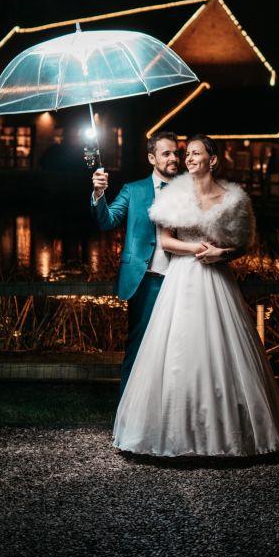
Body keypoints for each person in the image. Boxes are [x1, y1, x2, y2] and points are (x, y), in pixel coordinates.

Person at [112, 134, 279, 457]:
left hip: (217, 280)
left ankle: (226, 434)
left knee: (220, 350)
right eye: (188, 154)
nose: (189, 158)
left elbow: (243, 244)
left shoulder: (232, 198)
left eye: (196, 153)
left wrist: (221, 255)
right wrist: (196, 249)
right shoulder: (175, 195)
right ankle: (173, 432)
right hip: (182, 277)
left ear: (213, 160)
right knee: (178, 351)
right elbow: (166, 241)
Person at [91, 130, 181, 397]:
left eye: (176, 153)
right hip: (146, 281)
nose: (173, 158)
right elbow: (107, 221)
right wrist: (98, 193)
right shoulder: (133, 190)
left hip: (180, 279)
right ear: (152, 157)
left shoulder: (188, 189)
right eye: (166, 153)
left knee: (177, 347)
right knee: (138, 345)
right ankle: (127, 411)